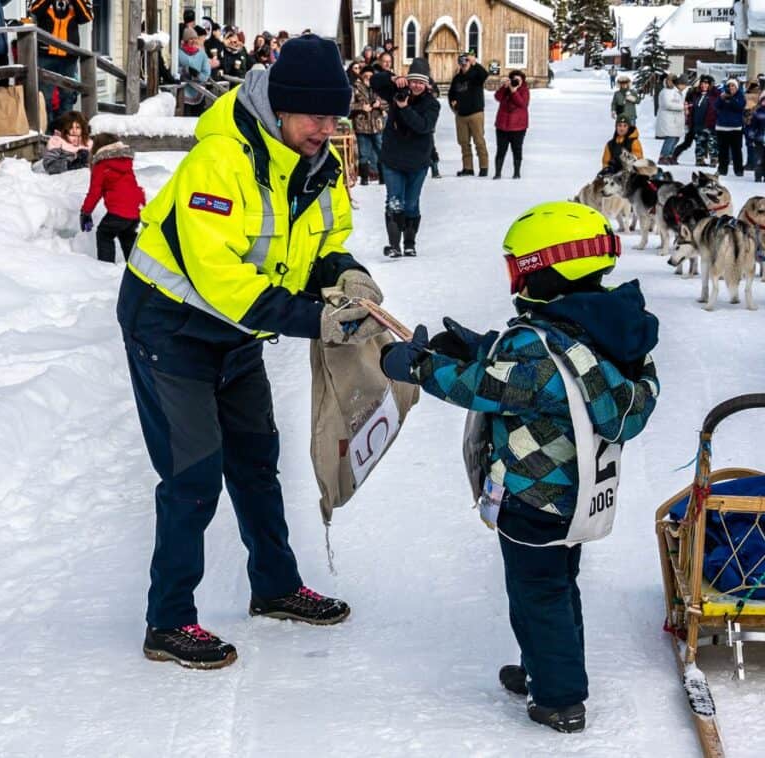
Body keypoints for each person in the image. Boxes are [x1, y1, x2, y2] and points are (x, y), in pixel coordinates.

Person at [119, 34, 383, 669]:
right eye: (316, 117)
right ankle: (169, 620)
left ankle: (275, 587)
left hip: (238, 333)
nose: (327, 129)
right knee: (194, 473)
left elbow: (326, 241)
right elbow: (223, 281)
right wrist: (315, 318)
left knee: (256, 460)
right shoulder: (222, 160)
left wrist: (346, 275)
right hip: (172, 326)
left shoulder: (323, 164)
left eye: (334, 117)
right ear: (282, 109)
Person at [380, 200, 659, 734]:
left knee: (538, 593)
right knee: (559, 584)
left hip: (536, 497)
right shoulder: (616, 329)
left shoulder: (537, 347)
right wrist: (479, 345)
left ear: (544, 269)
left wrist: (417, 365)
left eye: (517, 265)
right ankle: (545, 669)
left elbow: (487, 387)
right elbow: (559, 367)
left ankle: (559, 696)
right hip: (580, 495)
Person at [371, 58, 441, 257]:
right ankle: (394, 245)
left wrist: (404, 108)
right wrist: (392, 78)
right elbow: (375, 82)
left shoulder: (432, 104)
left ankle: (409, 243)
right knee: (394, 201)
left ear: (426, 84)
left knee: (411, 203)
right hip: (393, 158)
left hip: (418, 161)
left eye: (421, 82)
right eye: (413, 81)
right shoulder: (396, 93)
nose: (416, 85)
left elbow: (423, 126)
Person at [79, 133, 145, 263]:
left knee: (104, 234)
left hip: (119, 212)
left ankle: (105, 267)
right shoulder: (125, 162)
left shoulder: (102, 165)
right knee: (127, 236)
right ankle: (134, 267)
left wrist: (85, 212)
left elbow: (94, 193)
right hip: (135, 210)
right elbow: (133, 186)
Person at [29, 0, 94, 130]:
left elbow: (86, 17)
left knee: (68, 96)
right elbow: (34, 10)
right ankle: (47, 132)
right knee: (44, 97)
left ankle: (64, 131)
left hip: (69, 56)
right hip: (45, 53)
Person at [449, 51, 490, 176]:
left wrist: (475, 63)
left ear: (469, 62)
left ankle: (484, 167)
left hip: (475, 113)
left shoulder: (476, 74)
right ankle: (468, 168)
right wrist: (453, 105)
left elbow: (485, 75)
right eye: (461, 61)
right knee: (463, 143)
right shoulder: (457, 78)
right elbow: (451, 93)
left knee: (479, 141)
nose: (463, 64)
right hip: (461, 115)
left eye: (465, 61)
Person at [351, 67, 385, 185]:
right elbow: (349, 105)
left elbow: (388, 102)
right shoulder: (355, 88)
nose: (368, 79)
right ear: (361, 76)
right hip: (362, 126)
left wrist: (379, 104)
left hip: (377, 125)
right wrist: (361, 107)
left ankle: (383, 177)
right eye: (366, 76)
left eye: (371, 76)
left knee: (381, 152)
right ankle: (364, 178)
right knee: (363, 153)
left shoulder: (379, 87)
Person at [493, 69, 529, 179]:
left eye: (519, 80)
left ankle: (517, 173)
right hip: (502, 126)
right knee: (501, 150)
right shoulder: (506, 90)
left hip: (518, 127)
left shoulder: (524, 91)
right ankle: (498, 173)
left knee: (517, 149)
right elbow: (497, 97)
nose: (517, 82)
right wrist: (505, 87)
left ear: (522, 81)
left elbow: (522, 104)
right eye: (514, 79)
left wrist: (514, 91)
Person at [716, 78, 746, 177]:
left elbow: (739, 107)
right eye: (729, 86)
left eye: (733, 86)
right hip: (722, 127)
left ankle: (738, 170)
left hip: (735, 128)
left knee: (736, 150)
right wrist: (721, 99)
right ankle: (722, 169)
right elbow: (716, 106)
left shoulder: (740, 96)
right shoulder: (722, 95)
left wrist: (731, 98)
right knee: (722, 151)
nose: (731, 88)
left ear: (737, 87)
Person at [179, 27, 211, 116]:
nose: (193, 41)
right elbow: (174, 70)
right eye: (190, 39)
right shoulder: (178, 53)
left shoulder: (202, 54)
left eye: (195, 38)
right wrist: (186, 70)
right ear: (185, 40)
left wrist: (197, 74)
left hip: (199, 92)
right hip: (184, 93)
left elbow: (206, 74)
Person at [689, 75, 720, 167]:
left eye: (706, 84)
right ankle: (699, 159)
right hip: (698, 123)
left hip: (710, 123)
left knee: (712, 142)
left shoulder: (715, 95)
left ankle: (714, 159)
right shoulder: (697, 94)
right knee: (699, 142)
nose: (703, 85)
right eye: (702, 83)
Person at [656, 74, 685, 165]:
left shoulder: (676, 91)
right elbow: (667, 104)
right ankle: (663, 156)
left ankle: (669, 156)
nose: (671, 83)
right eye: (670, 80)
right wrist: (682, 107)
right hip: (668, 118)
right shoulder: (665, 92)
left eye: (673, 81)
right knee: (671, 137)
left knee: (676, 138)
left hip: (676, 119)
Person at [746, 92, 765, 182]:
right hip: (759, 140)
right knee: (759, 159)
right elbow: (752, 127)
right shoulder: (757, 112)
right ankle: (758, 176)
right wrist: (751, 137)